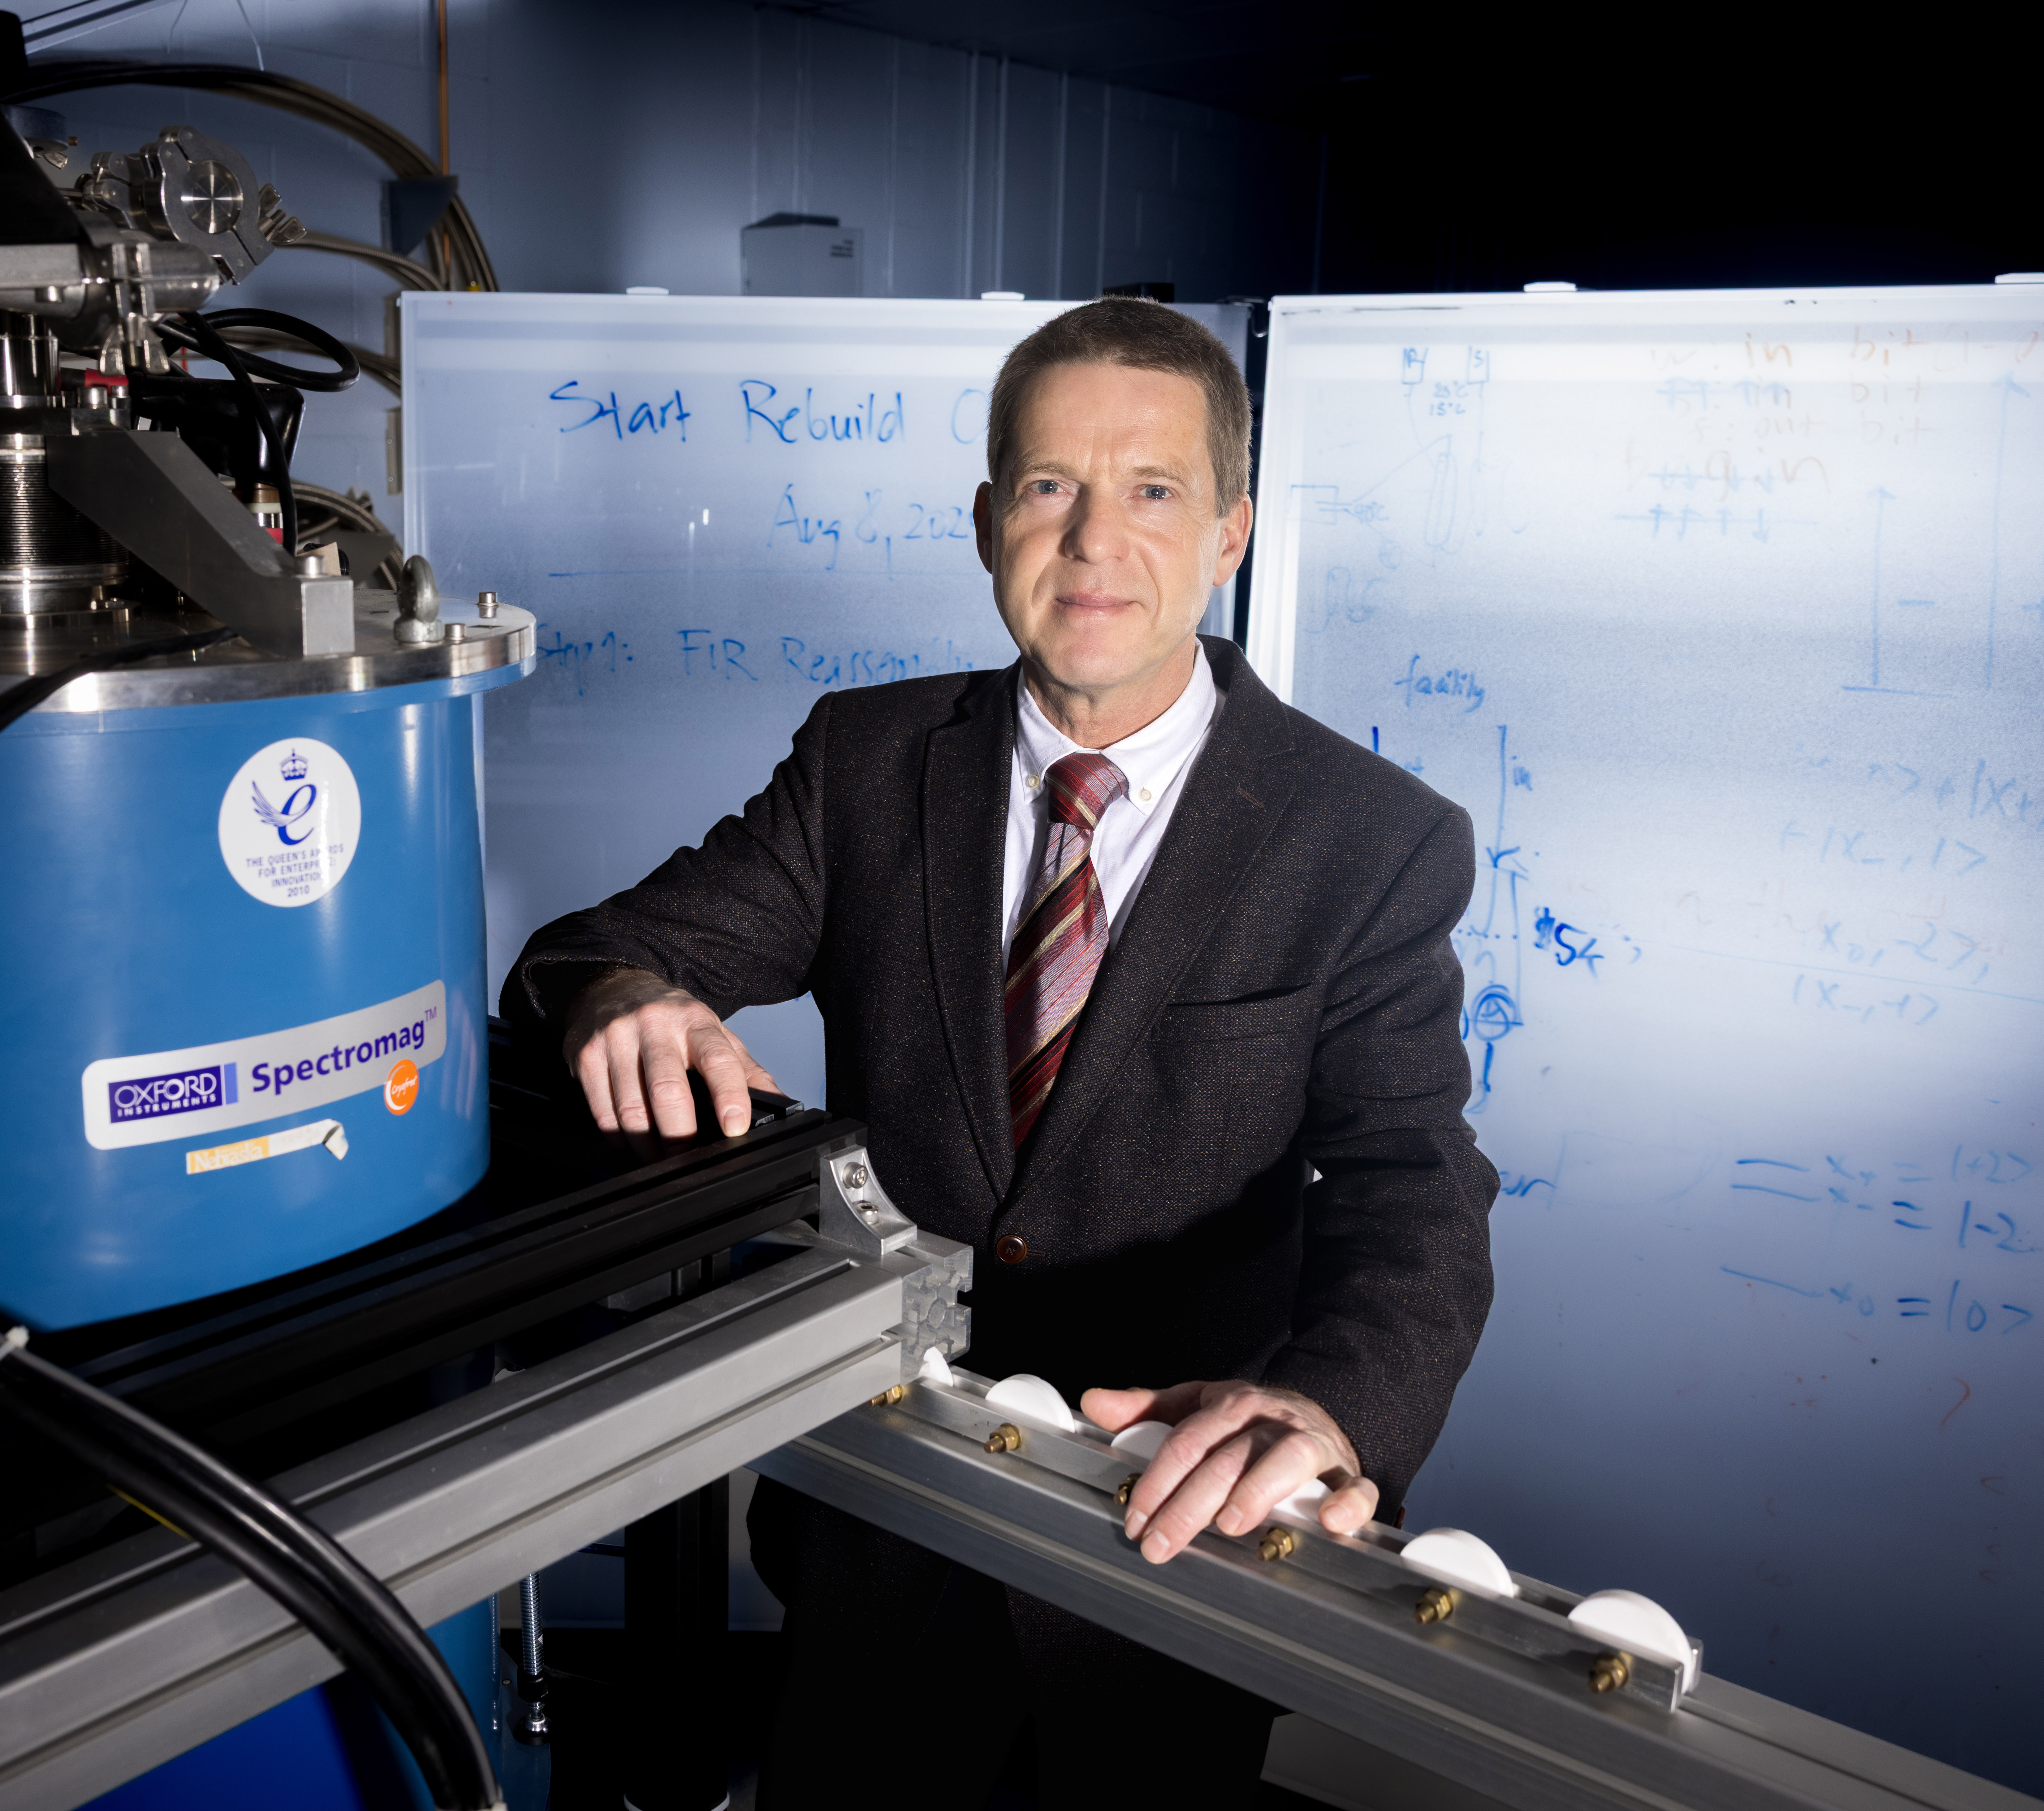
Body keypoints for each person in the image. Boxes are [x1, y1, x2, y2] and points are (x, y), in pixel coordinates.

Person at [499, 298, 1496, 1806]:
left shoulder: (1367, 837)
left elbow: (1411, 1180)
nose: (1093, 540)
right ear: (986, 524)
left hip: (1172, 1547)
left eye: (1151, 490)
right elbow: (598, 952)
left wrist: (1329, 1406)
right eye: (1048, 486)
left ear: (1228, 533)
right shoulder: (864, 762)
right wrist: (624, 997)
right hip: (883, 1526)